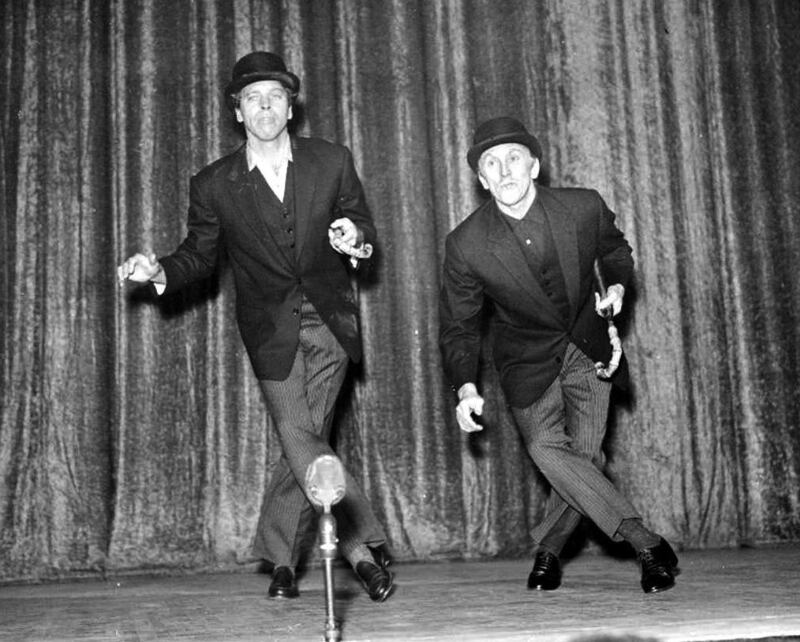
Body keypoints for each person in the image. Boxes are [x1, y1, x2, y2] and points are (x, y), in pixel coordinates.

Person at [116, 51, 393, 602]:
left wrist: (354, 239)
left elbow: (361, 226)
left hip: (331, 322)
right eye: (252, 98)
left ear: (291, 107)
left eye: (275, 97)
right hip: (270, 331)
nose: (265, 107)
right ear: (237, 111)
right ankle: (363, 551)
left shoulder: (331, 160)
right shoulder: (214, 183)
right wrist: (159, 271)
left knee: (302, 442)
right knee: (300, 433)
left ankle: (282, 560)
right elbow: (199, 255)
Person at [438, 116, 679, 594]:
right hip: (525, 361)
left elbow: (616, 252)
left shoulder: (583, 207)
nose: (505, 171)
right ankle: (645, 542)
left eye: (514, 158)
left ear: (535, 165)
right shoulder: (466, 244)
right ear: (482, 180)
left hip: (588, 347)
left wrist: (617, 286)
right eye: (492, 164)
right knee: (546, 448)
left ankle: (549, 551)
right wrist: (465, 388)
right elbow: (459, 326)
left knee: (584, 458)